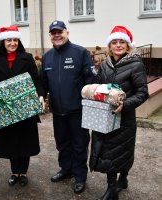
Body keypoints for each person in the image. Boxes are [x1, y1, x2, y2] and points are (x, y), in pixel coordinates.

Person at [89, 26, 149, 200]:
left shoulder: (136, 64)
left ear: (128, 45)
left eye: (122, 42)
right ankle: (112, 187)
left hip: (125, 118)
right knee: (108, 151)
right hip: (106, 116)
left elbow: (142, 93)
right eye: (114, 42)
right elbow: (100, 87)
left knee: (122, 151)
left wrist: (126, 104)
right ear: (110, 45)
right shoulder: (105, 64)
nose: (118, 45)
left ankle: (121, 180)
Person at [0, 25, 45, 186]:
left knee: (25, 142)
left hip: (25, 108)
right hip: (6, 109)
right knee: (10, 143)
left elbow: (36, 80)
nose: (12, 43)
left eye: (15, 40)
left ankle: (23, 172)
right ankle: (14, 172)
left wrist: (40, 95)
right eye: (9, 40)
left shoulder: (27, 57)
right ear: (3, 42)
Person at [41, 20, 97, 194]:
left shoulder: (80, 53)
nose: (57, 35)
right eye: (53, 33)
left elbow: (92, 82)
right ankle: (66, 170)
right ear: (50, 36)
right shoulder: (47, 57)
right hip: (58, 112)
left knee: (79, 145)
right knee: (62, 144)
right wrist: (41, 95)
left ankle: (80, 177)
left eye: (60, 32)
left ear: (67, 32)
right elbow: (42, 82)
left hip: (78, 111)